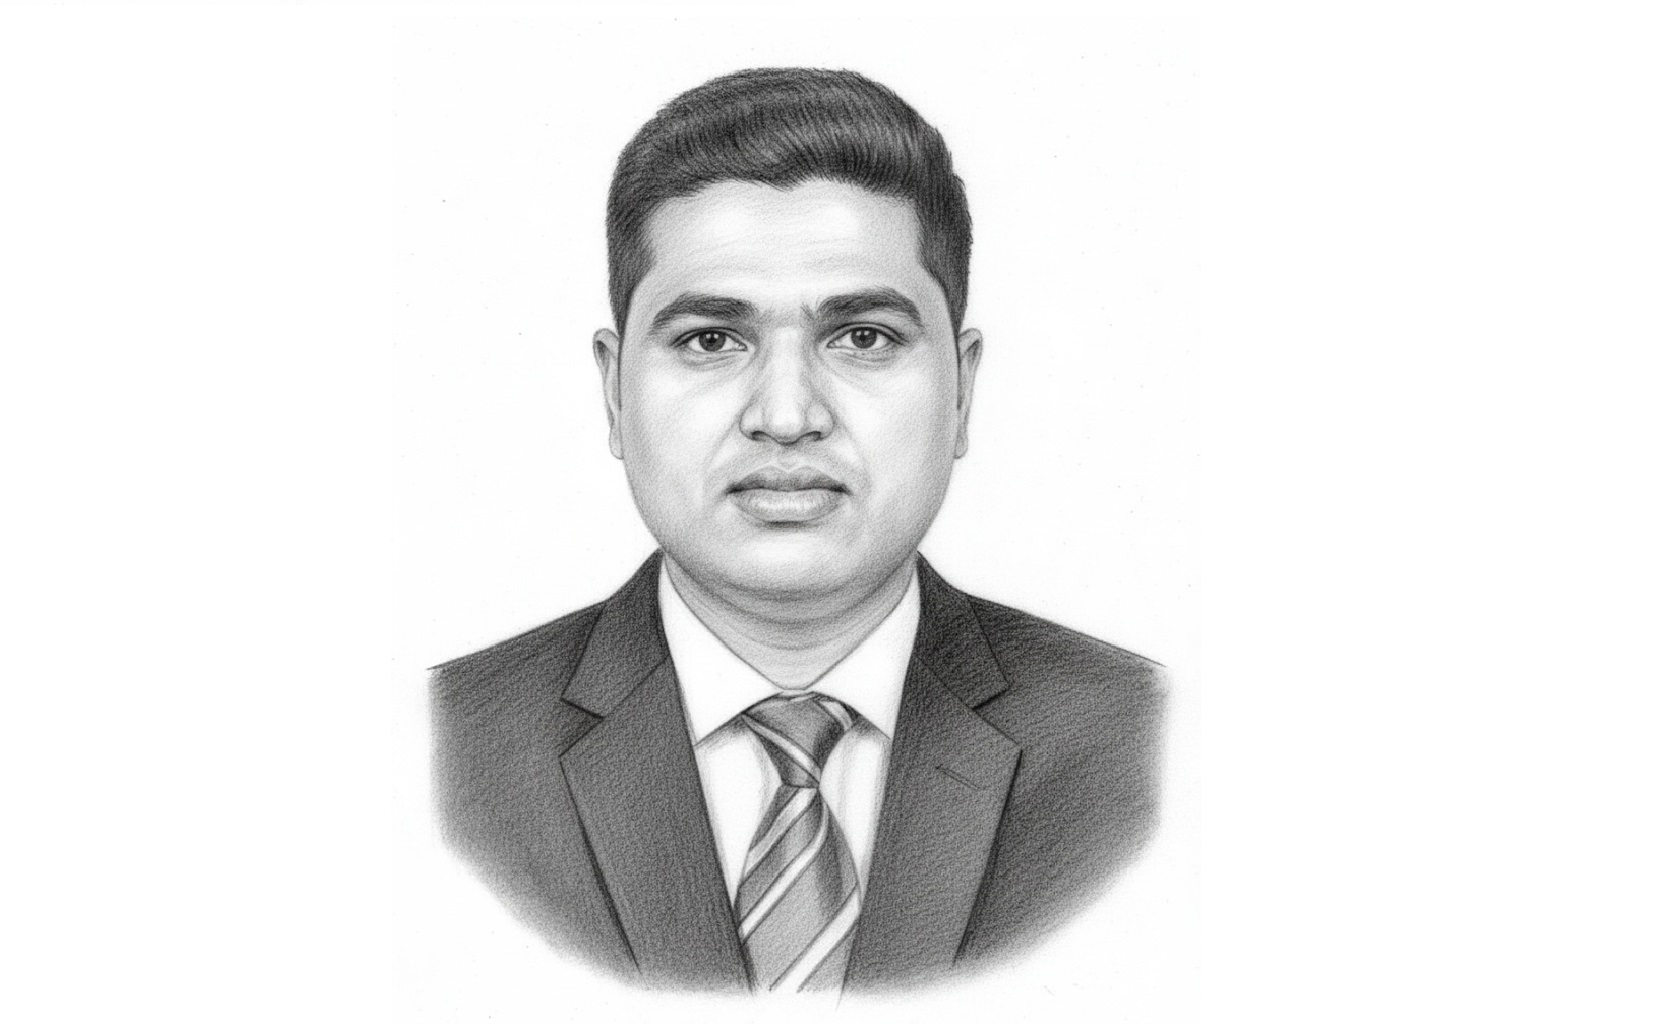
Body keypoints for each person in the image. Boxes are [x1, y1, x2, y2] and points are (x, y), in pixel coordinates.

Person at [432, 67, 1165, 994]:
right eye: (710, 340)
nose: (785, 416)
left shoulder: (1154, 750)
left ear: (962, 389)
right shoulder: (432, 757)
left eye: (863, 337)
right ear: (614, 391)